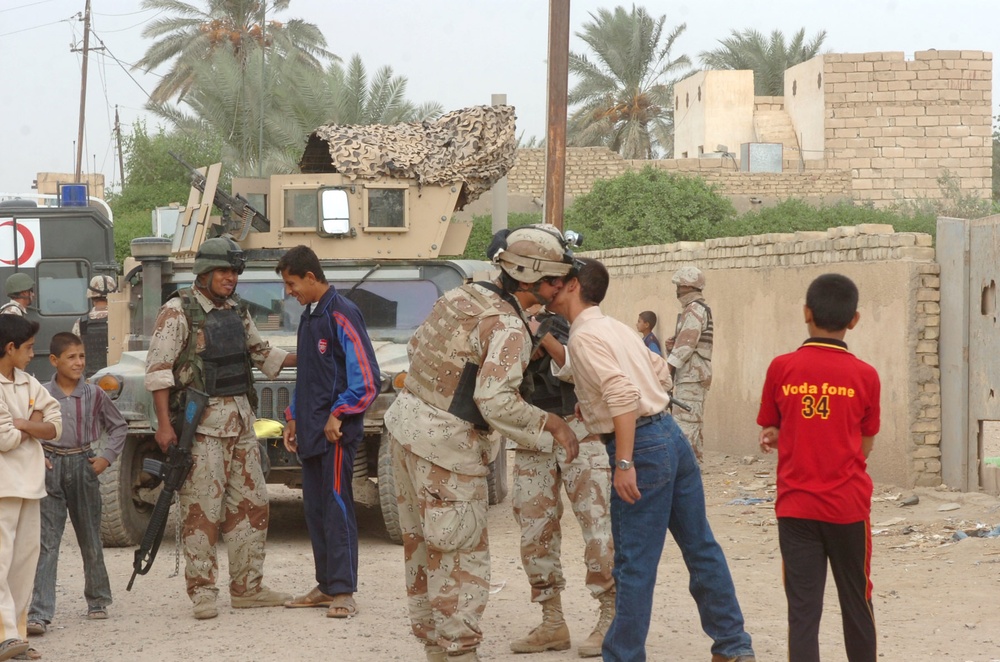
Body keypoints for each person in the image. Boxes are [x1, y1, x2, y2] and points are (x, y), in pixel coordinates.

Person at [384, 224, 581, 662]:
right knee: (459, 554)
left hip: (406, 431)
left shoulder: (460, 296)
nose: (559, 287)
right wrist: (552, 423)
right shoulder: (507, 325)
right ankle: (459, 651)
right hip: (448, 451)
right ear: (529, 279)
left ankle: (436, 645)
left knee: (423, 548)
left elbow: (421, 350)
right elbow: (495, 401)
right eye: (553, 280)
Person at [548, 257, 755, 662]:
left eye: (551, 282)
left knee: (633, 565)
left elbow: (624, 396)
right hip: (668, 436)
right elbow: (658, 373)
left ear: (572, 286)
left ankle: (624, 655)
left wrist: (624, 461)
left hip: (642, 447)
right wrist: (598, 413)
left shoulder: (586, 337)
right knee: (702, 549)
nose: (545, 288)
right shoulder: (616, 328)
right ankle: (733, 647)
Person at [144, 236, 296, 620]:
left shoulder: (237, 311)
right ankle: (203, 593)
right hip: (201, 428)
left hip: (242, 424)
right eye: (224, 271)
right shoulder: (178, 313)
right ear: (205, 272)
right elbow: (159, 373)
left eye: (235, 272)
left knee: (252, 505)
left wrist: (318, 349)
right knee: (202, 511)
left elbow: (263, 356)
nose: (231, 278)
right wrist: (164, 426)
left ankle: (248, 588)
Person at [756, 273, 881, 662]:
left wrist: (779, 436)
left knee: (803, 612)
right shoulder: (866, 376)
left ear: (806, 313)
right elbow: (865, 442)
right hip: (847, 508)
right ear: (855, 319)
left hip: (795, 509)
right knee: (857, 603)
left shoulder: (782, 368)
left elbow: (772, 426)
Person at [277, 246, 380, 619]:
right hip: (309, 434)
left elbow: (368, 379)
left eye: (291, 283)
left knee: (337, 508)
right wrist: (292, 417)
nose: (289, 292)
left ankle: (343, 591)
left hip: (335, 436)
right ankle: (325, 586)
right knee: (316, 510)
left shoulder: (342, 313)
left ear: (309, 276)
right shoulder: (309, 317)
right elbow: (309, 376)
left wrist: (339, 413)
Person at [509, 307, 615, 657]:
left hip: (580, 429)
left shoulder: (569, 317)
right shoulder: (502, 320)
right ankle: (552, 621)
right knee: (534, 530)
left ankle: (611, 616)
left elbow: (580, 367)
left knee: (598, 527)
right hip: (532, 431)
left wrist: (542, 335)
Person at [26, 332, 127, 637]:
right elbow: (31, 430)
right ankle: (40, 612)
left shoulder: (95, 394)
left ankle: (97, 599)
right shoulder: (42, 394)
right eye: (71, 357)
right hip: (52, 467)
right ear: (54, 361)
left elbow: (119, 426)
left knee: (90, 537)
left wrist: (105, 459)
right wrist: (38, 456)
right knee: (48, 542)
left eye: (82, 356)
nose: (79, 362)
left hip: (84, 466)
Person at [0, 316, 61, 662]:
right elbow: (5, 438)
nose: (32, 354)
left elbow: (57, 424)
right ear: (9, 348)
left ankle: (16, 636)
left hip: (29, 484)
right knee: (0, 563)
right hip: (2, 486)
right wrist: (31, 424)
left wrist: (23, 423)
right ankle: (4, 635)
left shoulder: (28, 383)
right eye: (27, 348)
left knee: (24, 564)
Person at [664, 266, 713, 461]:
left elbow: (686, 346)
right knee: (691, 422)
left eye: (679, 286)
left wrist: (667, 369)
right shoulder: (695, 310)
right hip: (693, 375)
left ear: (687, 287)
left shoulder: (694, 310)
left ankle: (687, 469)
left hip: (692, 376)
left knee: (686, 423)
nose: (677, 291)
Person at [72, 275, 117, 379]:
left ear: (91, 296)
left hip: (91, 379)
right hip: (118, 381)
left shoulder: (81, 323)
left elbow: (74, 353)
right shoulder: (123, 320)